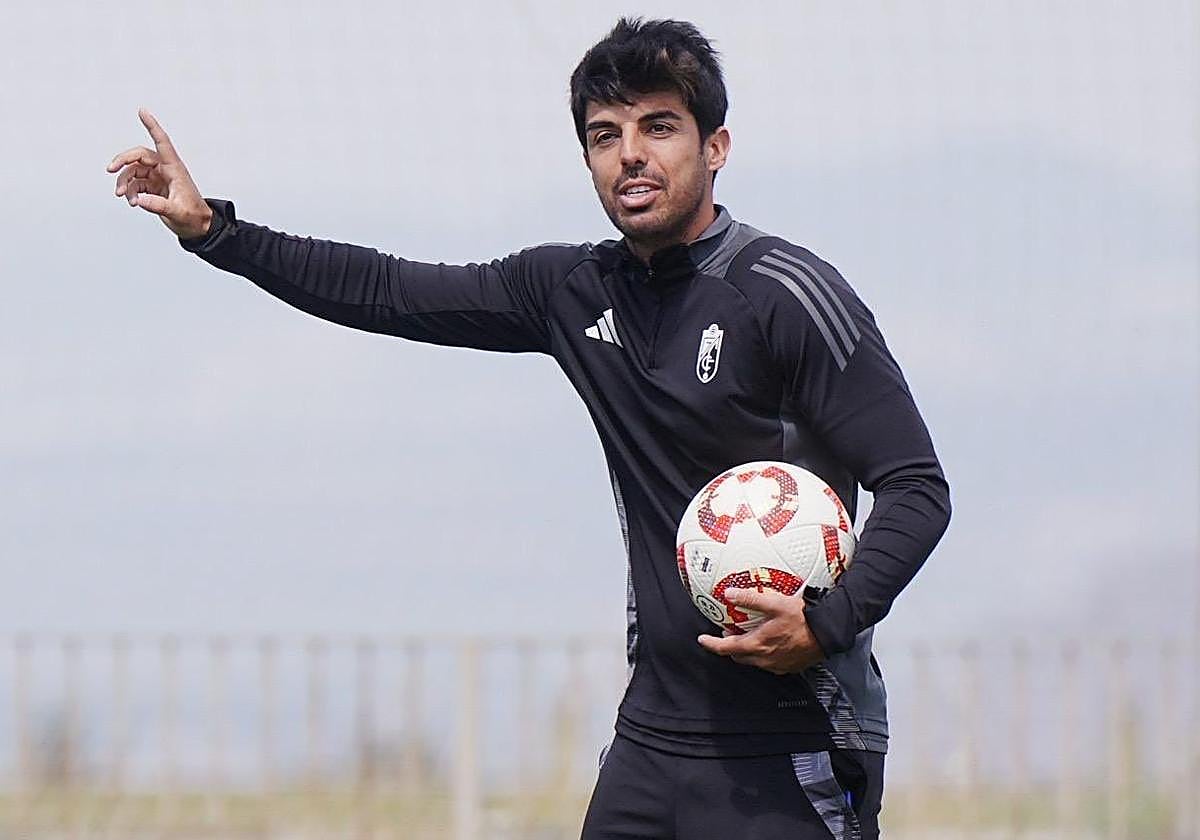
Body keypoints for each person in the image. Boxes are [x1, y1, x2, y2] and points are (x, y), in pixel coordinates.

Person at [106, 17, 950, 840]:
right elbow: (390, 289)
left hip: (792, 742)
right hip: (653, 740)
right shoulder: (574, 290)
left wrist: (825, 622)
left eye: (660, 127)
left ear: (715, 147)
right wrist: (216, 231)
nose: (631, 154)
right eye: (604, 134)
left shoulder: (785, 293)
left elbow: (916, 485)